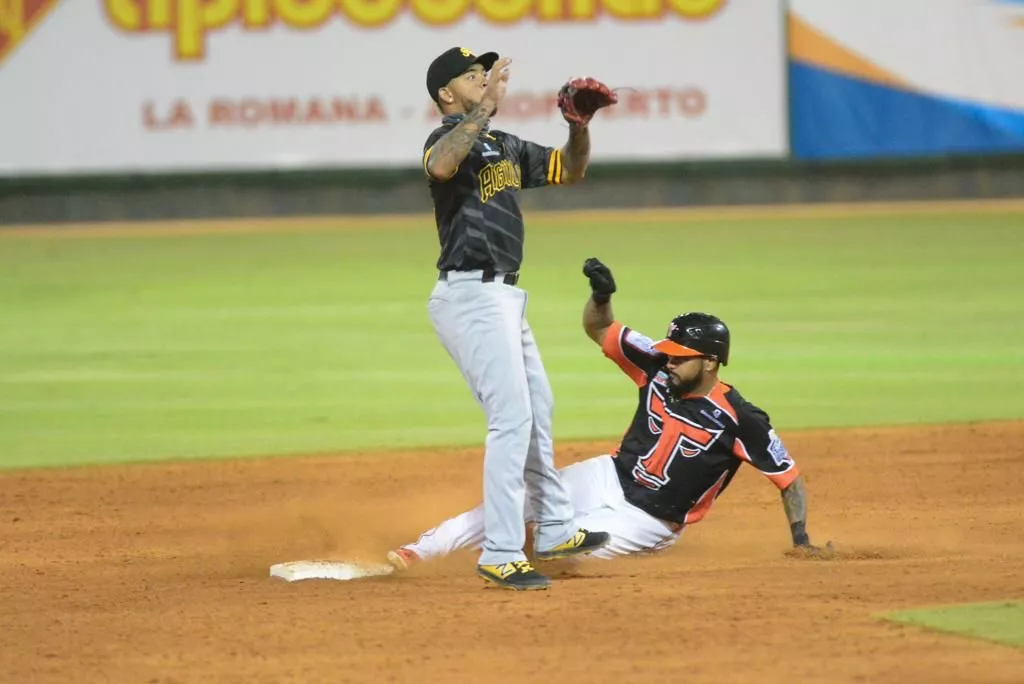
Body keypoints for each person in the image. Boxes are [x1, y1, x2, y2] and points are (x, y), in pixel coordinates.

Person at [388, 257, 830, 569]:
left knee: (561, 551)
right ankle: (418, 553)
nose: (670, 360)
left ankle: (485, 564)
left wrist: (802, 540)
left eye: (681, 356)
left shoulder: (740, 417)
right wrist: (602, 295)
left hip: (648, 520)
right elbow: (599, 327)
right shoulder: (656, 363)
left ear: (711, 361)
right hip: (606, 475)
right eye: (669, 353)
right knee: (511, 504)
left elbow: (788, 478)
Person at [414, 47, 619, 591]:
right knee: (510, 420)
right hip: (470, 296)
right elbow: (440, 167)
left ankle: (552, 527)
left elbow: (569, 170)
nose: (484, 80)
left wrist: (578, 126)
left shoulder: (501, 144)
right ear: (446, 95)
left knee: (537, 409)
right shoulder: (445, 139)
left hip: (504, 297)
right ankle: (501, 552)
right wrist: (484, 110)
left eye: (486, 74)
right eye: (472, 76)